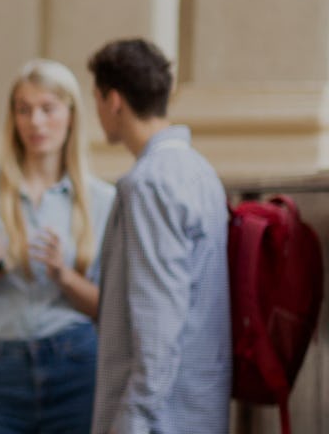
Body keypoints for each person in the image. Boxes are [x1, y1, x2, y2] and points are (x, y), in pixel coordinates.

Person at [0, 59, 115, 433]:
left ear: (70, 115)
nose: (35, 122)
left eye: (47, 109)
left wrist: (63, 275)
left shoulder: (103, 200)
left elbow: (110, 308)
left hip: (76, 367)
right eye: (24, 109)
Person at [85, 38, 230, 434]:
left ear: (113, 100)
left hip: (159, 419)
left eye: (95, 98)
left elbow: (159, 320)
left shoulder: (148, 184)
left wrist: (131, 421)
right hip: (196, 409)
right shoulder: (200, 172)